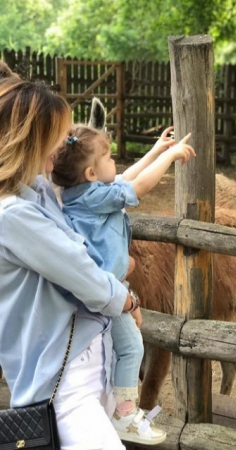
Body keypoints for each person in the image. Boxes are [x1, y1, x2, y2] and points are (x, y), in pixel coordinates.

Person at [0, 71, 149, 449]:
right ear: (29, 140)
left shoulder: (37, 191)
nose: (64, 146)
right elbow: (83, 272)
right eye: (58, 137)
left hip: (88, 361)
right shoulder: (13, 214)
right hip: (60, 383)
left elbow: (83, 252)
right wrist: (126, 299)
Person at [51, 122, 196, 443]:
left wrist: (156, 150)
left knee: (119, 347)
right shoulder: (94, 199)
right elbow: (138, 186)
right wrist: (170, 157)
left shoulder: (82, 193)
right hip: (106, 289)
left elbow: (124, 177)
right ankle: (125, 412)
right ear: (91, 172)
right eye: (108, 156)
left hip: (109, 286)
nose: (114, 162)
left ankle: (117, 408)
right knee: (132, 347)